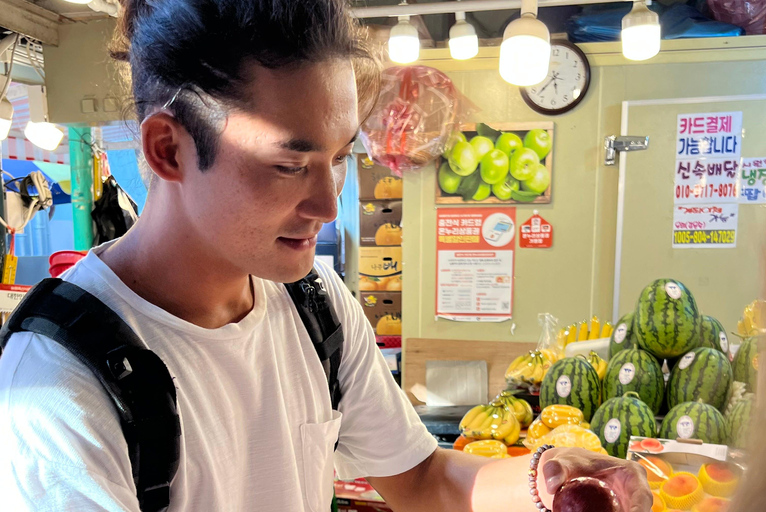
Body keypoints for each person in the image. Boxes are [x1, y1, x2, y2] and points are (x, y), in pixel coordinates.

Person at [0, 1, 651, 511]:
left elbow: (424, 481)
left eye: (340, 157)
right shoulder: (56, 384)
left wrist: (547, 477)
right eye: (289, 164)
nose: (324, 201)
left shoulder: (313, 302)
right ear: (169, 150)